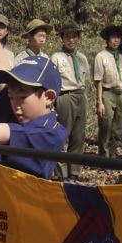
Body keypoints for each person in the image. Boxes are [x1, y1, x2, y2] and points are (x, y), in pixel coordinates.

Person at [51, 20, 89, 180]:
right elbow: (53, 81)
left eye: (74, 36)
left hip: (80, 95)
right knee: (62, 134)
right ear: (62, 38)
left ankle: (74, 172)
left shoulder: (82, 58)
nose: (71, 40)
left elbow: (85, 77)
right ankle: (61, 172)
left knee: (78, 136)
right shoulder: (57, 57)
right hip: (65, 96)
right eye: (68, 36)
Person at [94, 25, 122, 157]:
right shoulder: (101, 56)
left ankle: (113, 154)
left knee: (117, 127)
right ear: (108, 40)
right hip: (107, 93)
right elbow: (98, 81)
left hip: (120, 93)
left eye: (118, 38)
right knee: (106, 125)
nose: (116, 40)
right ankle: (104, 155)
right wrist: (99, 101)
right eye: (113, 37)